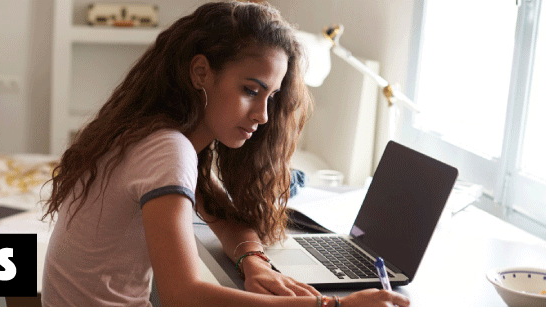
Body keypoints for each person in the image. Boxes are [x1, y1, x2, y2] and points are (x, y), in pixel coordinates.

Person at [41, 1, 410, 307]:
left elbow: (220, 212)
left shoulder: (151, 133)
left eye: (272, 97)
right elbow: (182, 295)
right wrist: (333, 306)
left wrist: (254, 261)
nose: (263, 116)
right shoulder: (169, 149)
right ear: (201, 72)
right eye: (251, 90)